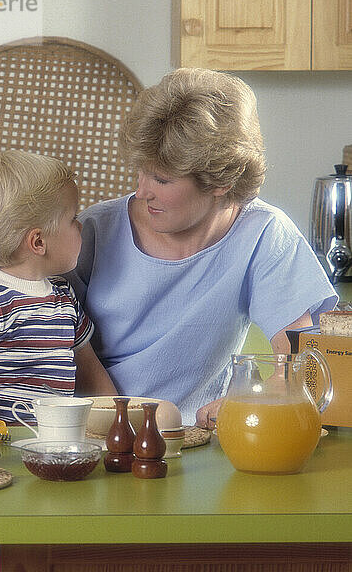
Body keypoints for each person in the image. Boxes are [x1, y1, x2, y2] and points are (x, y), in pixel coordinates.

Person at [67, 68, 338, 429]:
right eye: (142, 171)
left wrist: (256, 397)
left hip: (200, 435)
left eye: (162, 179)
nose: (142, 189)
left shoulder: (263, 233)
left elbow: (300, 350)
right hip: (98, 429)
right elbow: (59, 343)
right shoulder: (94, 230)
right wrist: (119, 419)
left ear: (221, 181)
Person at [0, 150, 116, 424]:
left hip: (56, 442)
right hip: (4, 446)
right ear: (38, 242)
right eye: (72, 218)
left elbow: (91, 373)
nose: (81, 225)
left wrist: (117, 421)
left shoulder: (64, 297)